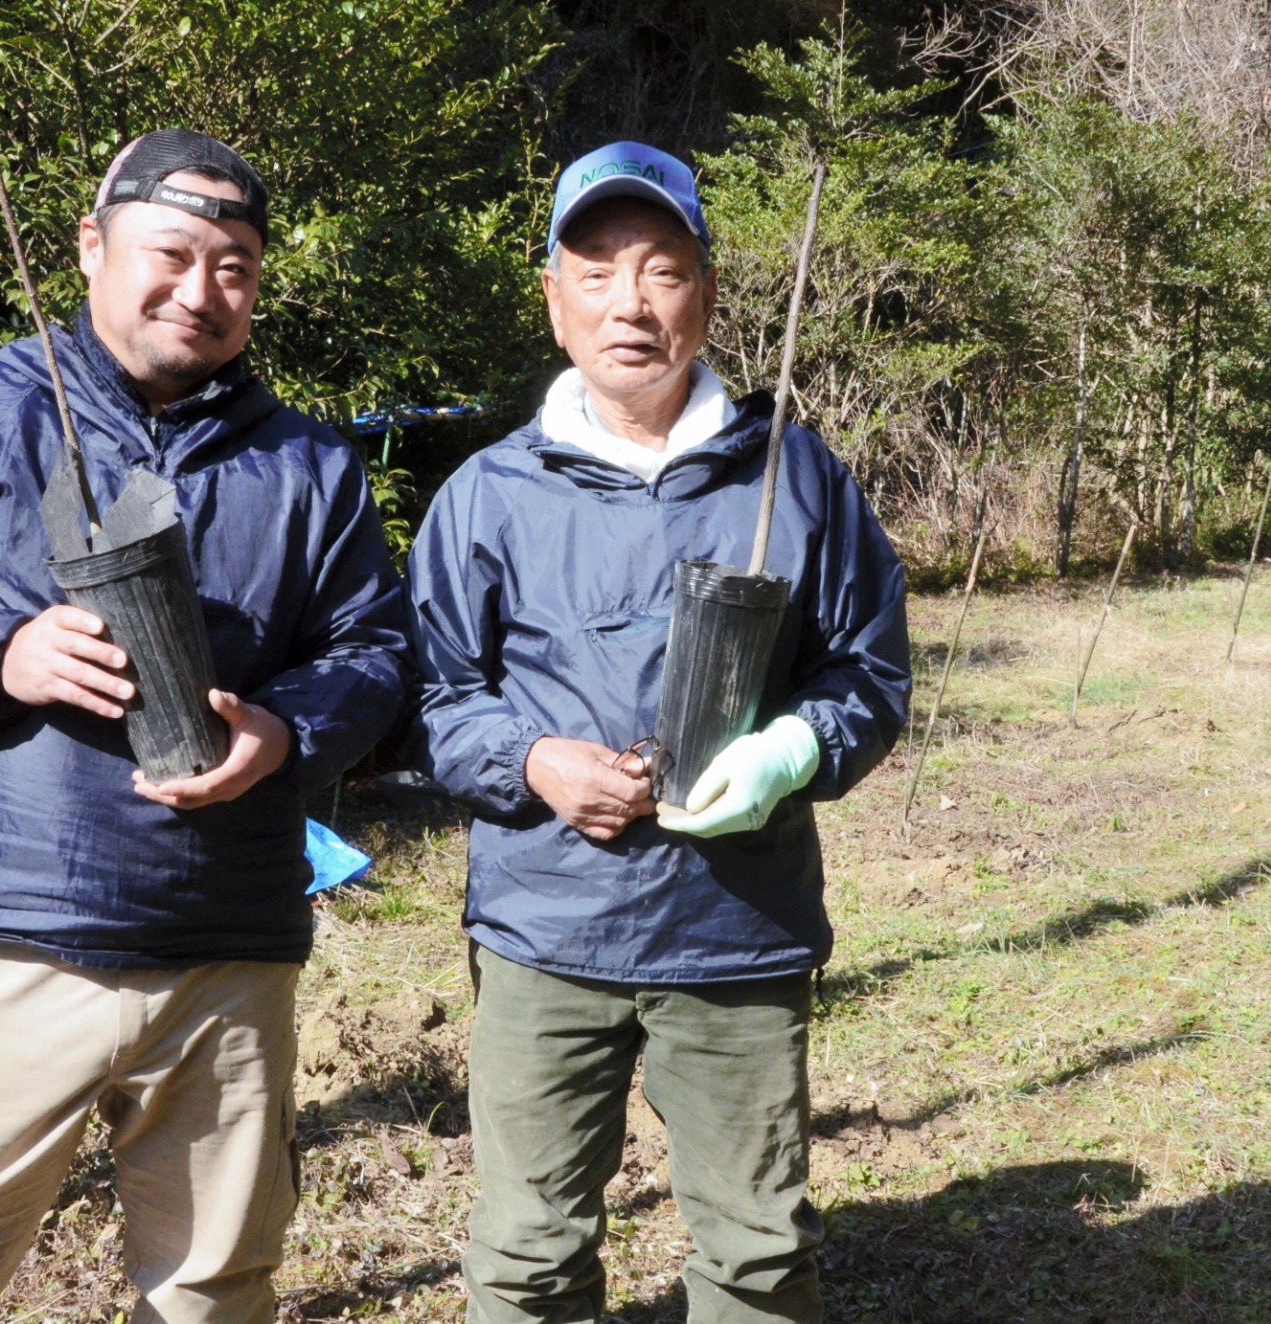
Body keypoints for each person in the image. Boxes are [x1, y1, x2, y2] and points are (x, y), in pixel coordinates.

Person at [0, 129, 410, 1323]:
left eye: (234, 265)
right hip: (8, 941)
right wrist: (1, 651)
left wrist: (283, 733)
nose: (201, 288)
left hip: (230, 950)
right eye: (170, 252)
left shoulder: (308, 463)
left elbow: (376, 652)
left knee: (213, 1293)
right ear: (90, 246)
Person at [408, 141, 911, 1323]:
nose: (628, 303)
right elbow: (433, 700)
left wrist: (790, 752)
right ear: (551, 296)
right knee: (527, 1252)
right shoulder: (487, 493)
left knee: (757, 1249)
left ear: (707, 292)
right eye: (595, 272)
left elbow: (867, 674)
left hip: (733, 931)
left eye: (661, 270)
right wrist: (530, 759)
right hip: (544, 929)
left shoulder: (797, 481)